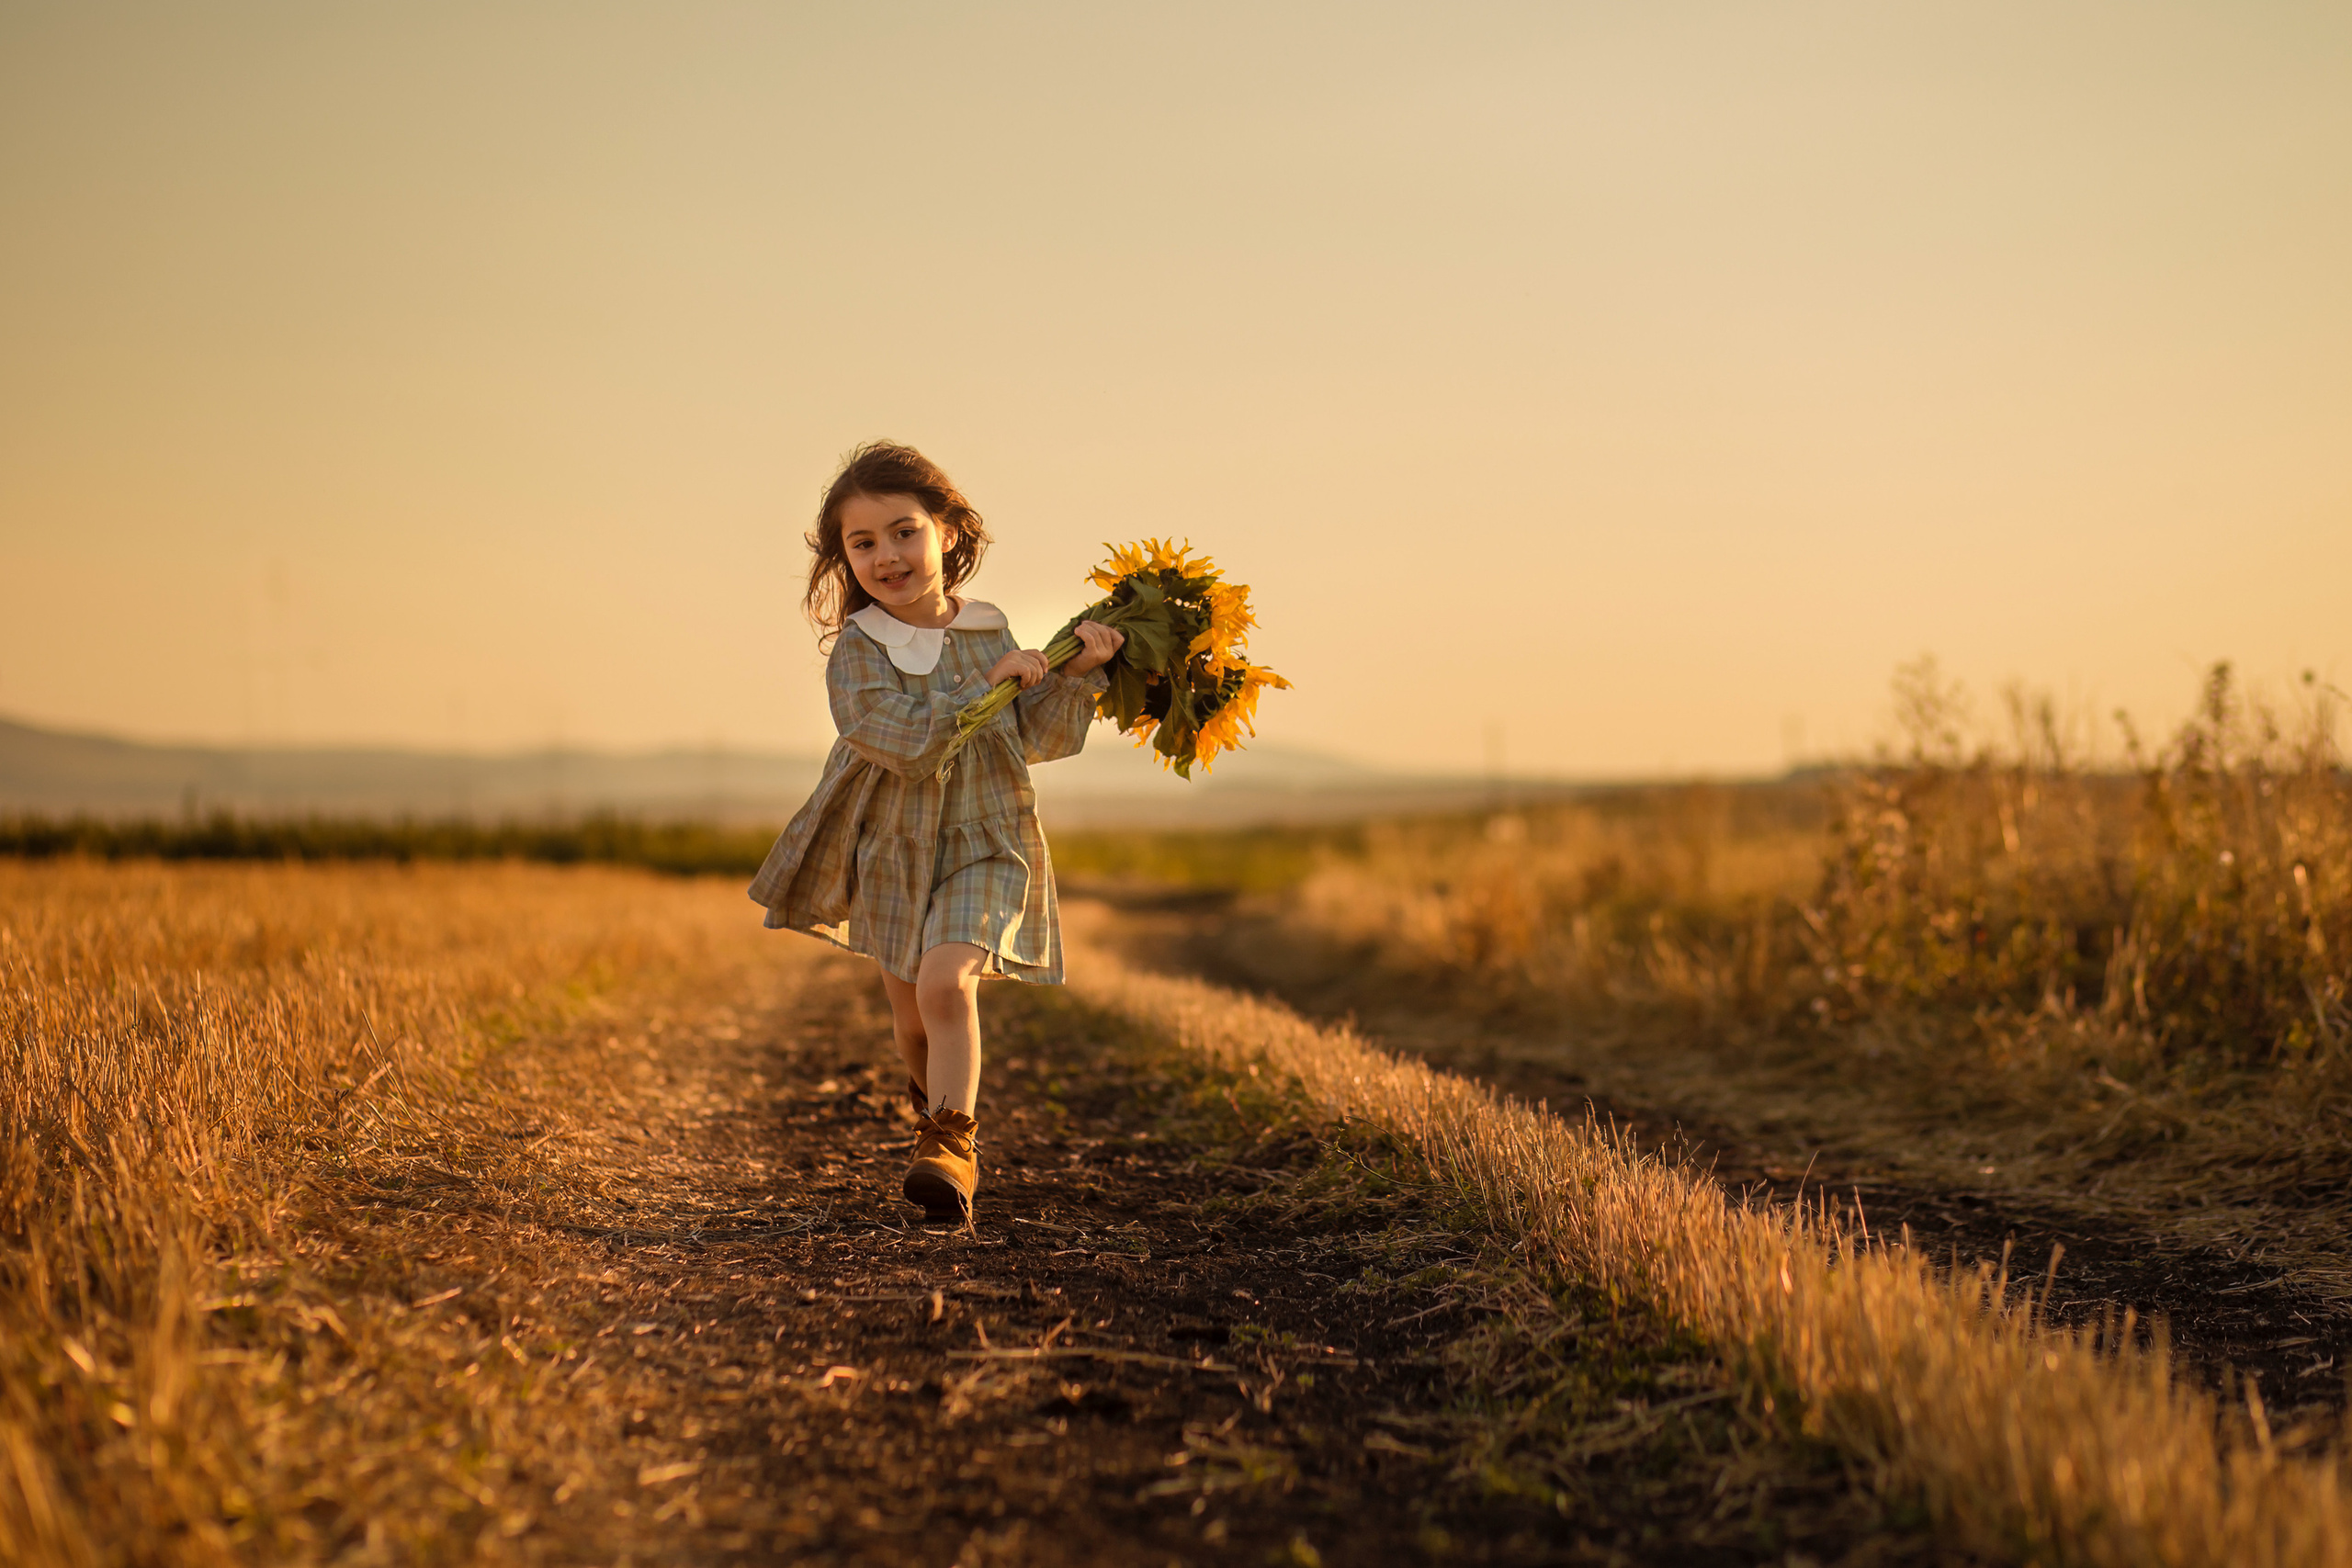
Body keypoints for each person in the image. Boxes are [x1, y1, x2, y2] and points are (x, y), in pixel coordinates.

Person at [748, 442, 1124, 1223]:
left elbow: (1036, 737)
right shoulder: (858, 651)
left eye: (904, 532)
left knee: (947, 985)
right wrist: (980, 687)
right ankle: (929, 1108)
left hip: (988, 836)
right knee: (912, 1018)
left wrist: (1077, 674)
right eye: (863, 543)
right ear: (843, 558)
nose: (887, 556)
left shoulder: (991, 628)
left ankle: (953, 1147)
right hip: (892, 845)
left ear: (948, 532)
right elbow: (897, 739)